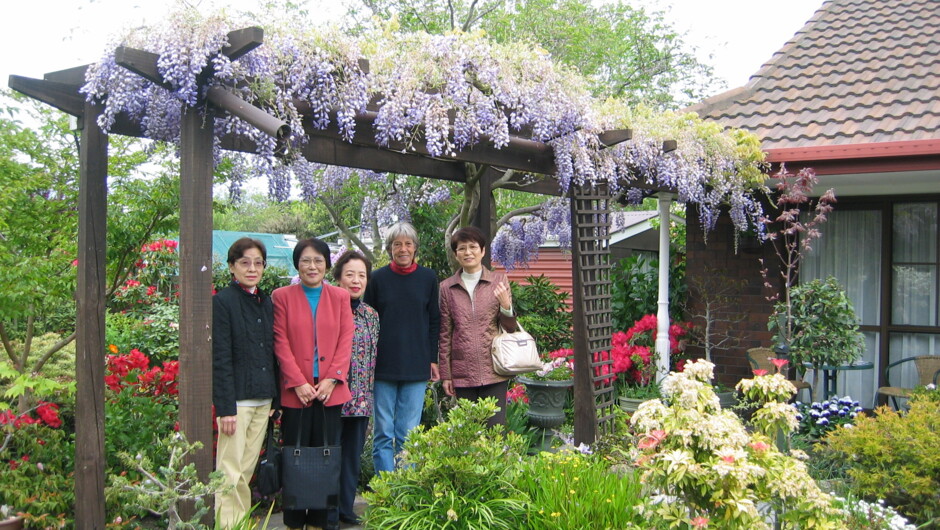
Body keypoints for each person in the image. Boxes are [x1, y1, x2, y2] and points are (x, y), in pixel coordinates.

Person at [273, 238, 354, 530]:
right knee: (295, 457)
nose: (312, 266)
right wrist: (297, 382)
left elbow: (347, 339)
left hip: (329, 392)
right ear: (297, 264)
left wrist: (333, 377)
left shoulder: (340, 297)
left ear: (327, 264)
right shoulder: (281, 296)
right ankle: (294, 521)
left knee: (325, 458)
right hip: (297, 394)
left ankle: (321, 522)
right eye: (306, 260)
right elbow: (280, 341)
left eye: (318, 260)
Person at [212, 237, 279, 528]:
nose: (252, 268)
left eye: (257, 263)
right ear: (231, 267)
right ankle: (229, 525)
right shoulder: (222, 302)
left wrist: (276, 400)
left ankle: (239, 522)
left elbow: (273, 352)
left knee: (246, 470)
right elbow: (221, 357)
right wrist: (225, 408)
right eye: (244, 263)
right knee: (229, 470)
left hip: (263, 399)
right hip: (237, 403)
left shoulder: (266, 302)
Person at [364, 222, 441, 474]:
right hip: (383, 365)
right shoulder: (377, 278)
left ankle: (406, 491)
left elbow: (433, 321)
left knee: (409, 435)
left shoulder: (428, 278)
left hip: (416, 365)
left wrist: (432, 359)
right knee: (383, 433)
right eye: (397, 244)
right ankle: (385, 489)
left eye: (408, 244)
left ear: (415, 248)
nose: (403, 249)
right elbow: (368, 321)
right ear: (390, 249)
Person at [438, 226, 517, 427]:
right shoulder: (447, 287)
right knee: (469, 432)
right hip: (462, 371)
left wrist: (506, 305)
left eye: (473, 247)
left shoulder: (498, 281)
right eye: (462, 248)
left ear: (482, 251)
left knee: (495, 432)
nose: (468, 252)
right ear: (456, 254)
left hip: (494, 367)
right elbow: (445, 333)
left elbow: (510, 329)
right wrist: (446, 375)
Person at [332, 251, 380, 526]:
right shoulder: (328, 308)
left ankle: (345, 508)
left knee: (352, 456)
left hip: (361, 399)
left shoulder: (370, 314)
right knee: (331, 455)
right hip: (332, 398)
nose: (355, 280)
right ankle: (326, 509)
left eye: (361, 275)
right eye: (349, 274)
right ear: (338, 277)